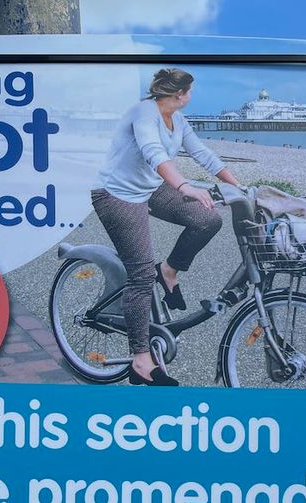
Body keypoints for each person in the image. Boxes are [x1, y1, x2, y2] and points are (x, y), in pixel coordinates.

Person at [92, 68, 243, 386]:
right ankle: (141, 360)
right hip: (116, 194)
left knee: (207, 218)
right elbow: (153, 151)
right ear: (179, 94)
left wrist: (238, 188)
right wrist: (186, 186)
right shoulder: (143, 112)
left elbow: (203, 154)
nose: (191, 96)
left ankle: (170, 271)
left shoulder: (178, 119)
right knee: (141, 275)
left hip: (150, 188)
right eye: (190, 91)